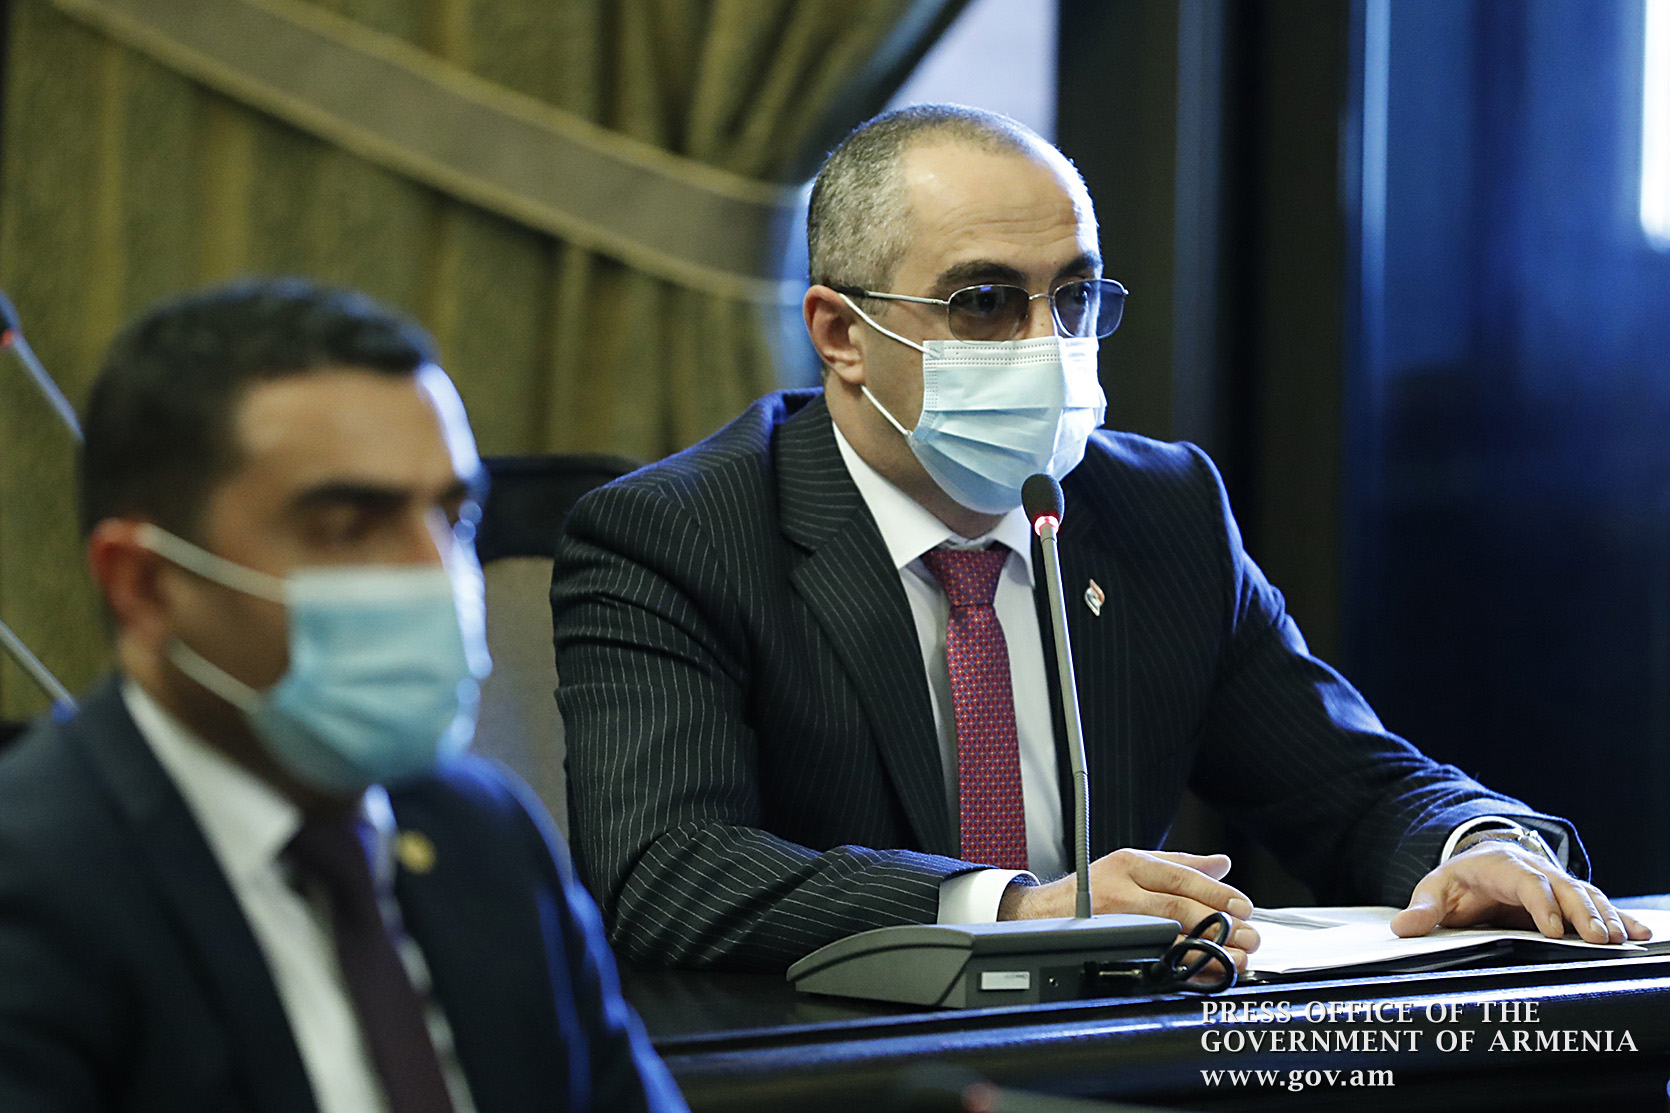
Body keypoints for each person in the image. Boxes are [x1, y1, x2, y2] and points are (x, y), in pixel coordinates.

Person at [551, 105, 1646, 973]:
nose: (1048, 345)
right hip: (833, 1071)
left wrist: (1480, 846)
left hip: (1118, 1059)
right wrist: (1018, 911)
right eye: (985, 302)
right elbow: (666, 872)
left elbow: (1347, 783)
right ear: (841, 332)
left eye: (1073, 298)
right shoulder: (677, 534)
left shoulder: (1159, 508)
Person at [0, 280, 686, 1112]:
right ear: (143, 583)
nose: (437, 577)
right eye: (347, 529)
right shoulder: (34, 882)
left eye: (453, 519)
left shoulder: (485, 832)